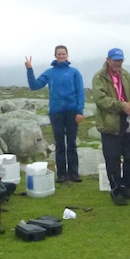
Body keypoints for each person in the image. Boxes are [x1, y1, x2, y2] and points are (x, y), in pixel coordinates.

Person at [25, 45, 85, 183]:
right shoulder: (50, 73)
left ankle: (74, 173)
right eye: (59, 54)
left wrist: (80, 111)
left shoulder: (74, 72)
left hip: (72, 111)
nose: (61, 56)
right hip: (56, 112)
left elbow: (80, 92)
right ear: (55, 56)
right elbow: (34, 85)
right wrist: (29, 69)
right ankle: (61, 175)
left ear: (67, 55)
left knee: (71, 143)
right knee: (59, 144)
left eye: (63, 53)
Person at [92, 47, 130, 206]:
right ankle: (116, 189)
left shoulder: (126, 75)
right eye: (115, 60)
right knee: (112, 158)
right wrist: (121, 106)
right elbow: (101, 99)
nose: (118, 63)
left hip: (128, 120)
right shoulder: (99, 77)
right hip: (110, 122)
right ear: (108, 60)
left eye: (120, 60)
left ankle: (127, 186)